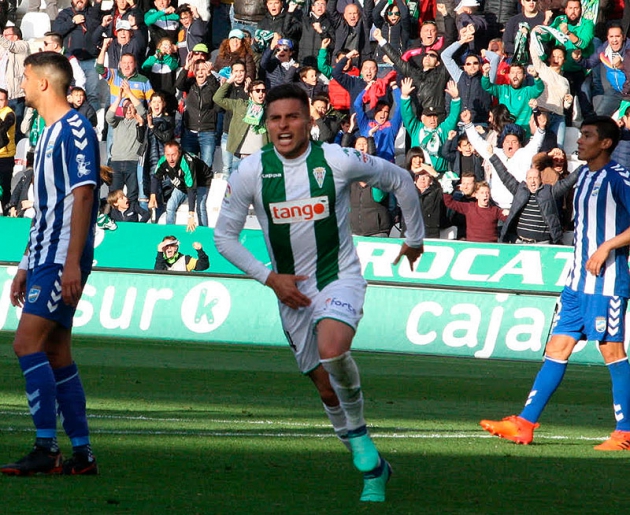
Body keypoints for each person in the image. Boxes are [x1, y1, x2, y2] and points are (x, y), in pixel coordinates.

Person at [214, 83, 425, 502]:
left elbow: (400, 178)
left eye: (292, 116)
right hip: (289, 291)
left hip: (337, 277)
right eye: (275, 118)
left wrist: (415, 237)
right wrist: (270, 278)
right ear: (266, 124)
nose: (283, 125)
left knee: (332, 349)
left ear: (310, 120)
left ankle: (363, 450)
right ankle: (377, 469)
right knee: (326, 390)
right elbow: (224, 237)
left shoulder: (337, 160)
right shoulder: (250, 171)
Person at [480, 116, 630, 451]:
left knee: (613, 352)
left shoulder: (618, 178)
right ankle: (525, 423)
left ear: (605, 143)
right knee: (557, 349)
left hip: (605, 284)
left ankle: (626, 432)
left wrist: (606, 247)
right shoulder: (584, 177)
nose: (580, 140)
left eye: (588, 136)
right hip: (576, 283)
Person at [0, 51, 100, 476]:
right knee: (57, 350)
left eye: (25, 77)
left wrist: (72, 262)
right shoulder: (46, 132)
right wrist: (24, 264)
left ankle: (47, 447)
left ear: (43, 83)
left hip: (61, 258)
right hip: (45, 255)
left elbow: (84, 195)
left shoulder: (75, 128)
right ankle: (82, 454)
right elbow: (46, 210)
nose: (21, 84)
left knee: (26, 344)